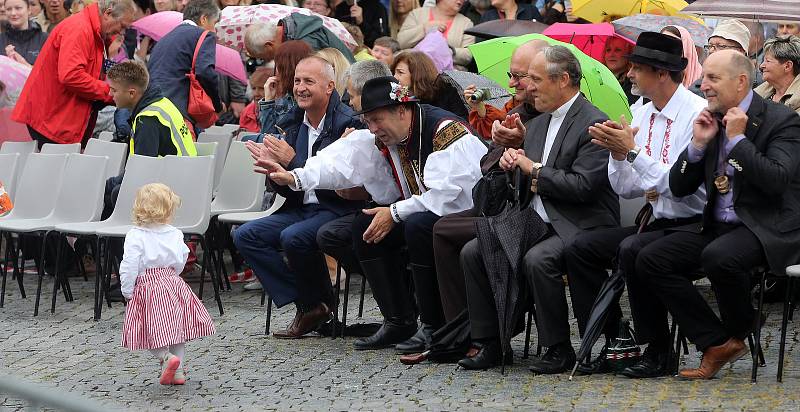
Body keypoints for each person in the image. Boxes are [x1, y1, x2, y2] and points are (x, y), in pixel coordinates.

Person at [260, 75, 487, 352]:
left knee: (417, 226)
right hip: (422, 211)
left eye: (377, 119)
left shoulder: (444, 130)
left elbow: (448, 197)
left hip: (468, 214)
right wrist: (294, 177)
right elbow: (339, 159)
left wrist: (394, 212)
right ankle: (399, 320)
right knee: (363, 227)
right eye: (368, 121)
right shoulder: (384, 136)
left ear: (402, 110)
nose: (373, 128)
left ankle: (433, 324)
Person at [629, 50, 800, 380]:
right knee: (648, 257)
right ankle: (718, 341)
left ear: (740, 82)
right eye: (703, 76)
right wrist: (696, 145)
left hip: (765, 224)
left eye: (712, 78)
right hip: (719, 224)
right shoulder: (712, 119)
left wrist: (737, 140)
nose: (702, 85)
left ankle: (738, 328)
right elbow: (678, 187)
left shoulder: (782, 121)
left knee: (719, 256)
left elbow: (777, 180)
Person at [458, 46, 618, 371]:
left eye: (535, 79)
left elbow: (583, 187)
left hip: (578, 223)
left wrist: (534, 169)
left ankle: (558, 347)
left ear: (562, 80)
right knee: (473, 251)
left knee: (538, 259)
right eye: (527, 78)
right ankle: (489, 342)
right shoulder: (539, 121)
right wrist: (509, 161)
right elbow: (522, 182)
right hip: (537, 220)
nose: (528, 87)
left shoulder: (594, 122)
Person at [566, 32, 707, 377]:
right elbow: (626, 188)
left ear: (662, 73)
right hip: (657, 222)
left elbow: (677, 187)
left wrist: (631, 152)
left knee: (634, 249)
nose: (629, 74)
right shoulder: (640, 113)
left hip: (696, 224)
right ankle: (615, 340)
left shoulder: (697, 115)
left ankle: (658, 349)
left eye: (637, 68)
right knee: (580, 247)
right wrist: (617, 155)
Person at [233, 56, 364, 339]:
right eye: (296, 81)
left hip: (337, 206)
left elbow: (340, 177)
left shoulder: (348, 125)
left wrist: (292, 162)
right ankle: (311, 304)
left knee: (294, 237)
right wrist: (273, 171)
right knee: (246, 235)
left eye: (308, 81)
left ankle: (314, 306)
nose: (300, 88)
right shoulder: (291, 122)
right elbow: (286, 186)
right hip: (299, 206)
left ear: (330, 86)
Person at [432, 40, 546, 323]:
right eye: (511, 74)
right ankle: (444, 323)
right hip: (500, 202)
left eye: (519, 77)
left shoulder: (552, 113)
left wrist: (518, 149)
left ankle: (466, 327)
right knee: (431, 224)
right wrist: (500, 146)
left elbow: (548, 168)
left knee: (453, 237)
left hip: (529, 213)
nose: (512, 82)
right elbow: (491, 161)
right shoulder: (517, 110)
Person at [310, 59, 394, 302]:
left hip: (390, 204)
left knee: (356, 230)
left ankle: (399, 305)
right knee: (322, 234)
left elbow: (388, 181)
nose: (347, 100)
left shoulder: (356, 121)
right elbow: (330, 167)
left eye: (352, 94)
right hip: (342, 201)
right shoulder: (293, 117)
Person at [121, 183, 216, 386]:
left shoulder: (135, 235)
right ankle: (179, 371)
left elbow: (129, 264)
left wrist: (127, 290)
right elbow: (182, 258)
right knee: (176, 330)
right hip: (173, 283)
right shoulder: (174, 233)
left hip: (149, 286)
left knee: (150, 331)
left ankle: (166, 358)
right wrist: (173, 275)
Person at [11, 0, 137, 148]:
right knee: (57, 168)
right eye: (121, 26)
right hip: (53, 119)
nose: (121, 33)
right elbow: (71, 75)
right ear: (107, 13)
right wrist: (110, 92)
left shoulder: (90, 29)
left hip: (58, 116)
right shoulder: (80, 28)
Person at [147, 0, 222, 136]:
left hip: (150, 109)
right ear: (204, 19)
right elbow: (205, 72)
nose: (214, 29)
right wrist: (217, 105)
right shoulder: (204, 35)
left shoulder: (163, 39)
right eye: (215, 23)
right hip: (178, 113)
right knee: (184, 157)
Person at [464, 39, 545, 140]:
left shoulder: (559, 115)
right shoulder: (517, 106)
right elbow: (496, 131)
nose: (510, 84)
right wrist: (480, 107)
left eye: (517, 76)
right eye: (510, 75)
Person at [243, 14, 355, 64]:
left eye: (263, 57)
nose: (267, 60)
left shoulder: (305, 42)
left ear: (268, 45)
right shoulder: (293, 30)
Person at [689, 19, 759, 96]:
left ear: (740, 51)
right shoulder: (697, 89)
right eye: (710, 46)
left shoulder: (758, 84)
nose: (711, 51)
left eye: (720, 46)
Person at [397, 0, 475, 68]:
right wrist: (424, 28)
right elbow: (400, 42)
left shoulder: (466, 23)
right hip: (414, 71)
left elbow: (468, 55)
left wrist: (448, 51)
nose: (461, 0)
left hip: (448, 78)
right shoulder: (417, 14)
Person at [258, 40, 313, 136]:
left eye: (279, 66)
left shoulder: (308, 100)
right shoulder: (284, 100)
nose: (276, 71)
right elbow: (267, 139)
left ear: (287, 68)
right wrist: (268, 101)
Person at [755, 35, 800, 115]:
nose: (761, 66)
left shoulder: (797, 100)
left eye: (768, 61)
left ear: (787, 66)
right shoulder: (759, 93)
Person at [0, 0, 48, 66]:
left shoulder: (44, 39)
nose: (13, 13)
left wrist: (24, 64)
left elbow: (50, 71)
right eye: (9, 9)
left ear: (28, 10)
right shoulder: (1, 40)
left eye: (18, 8)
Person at [602, 36, 636, 106]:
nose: (611, 54)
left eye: (617, 50)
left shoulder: (634, 83)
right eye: (608, 50)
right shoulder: (598, 79)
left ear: (628, 54)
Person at [240, 67, 270, 132]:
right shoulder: (247, 111)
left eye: (262, 88)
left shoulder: (280, 112)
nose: (256, 93)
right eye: (253, 88)